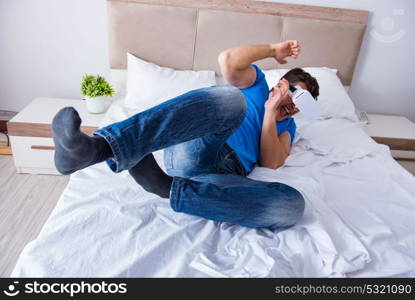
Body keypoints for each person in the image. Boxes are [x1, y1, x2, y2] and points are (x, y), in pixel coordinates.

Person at [51, 40, 319, 230]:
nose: (295, 104)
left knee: (292, 206)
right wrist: (273, 50)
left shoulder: (288, 128)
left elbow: (270, 163)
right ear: (282, 84)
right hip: (196, 152)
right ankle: (98, 148)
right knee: (231, 98)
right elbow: (228, 60)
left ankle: (162, 185)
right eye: (296, 93)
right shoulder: (257, 85)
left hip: (226, 176)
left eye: (303, 103)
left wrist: (271, 113)